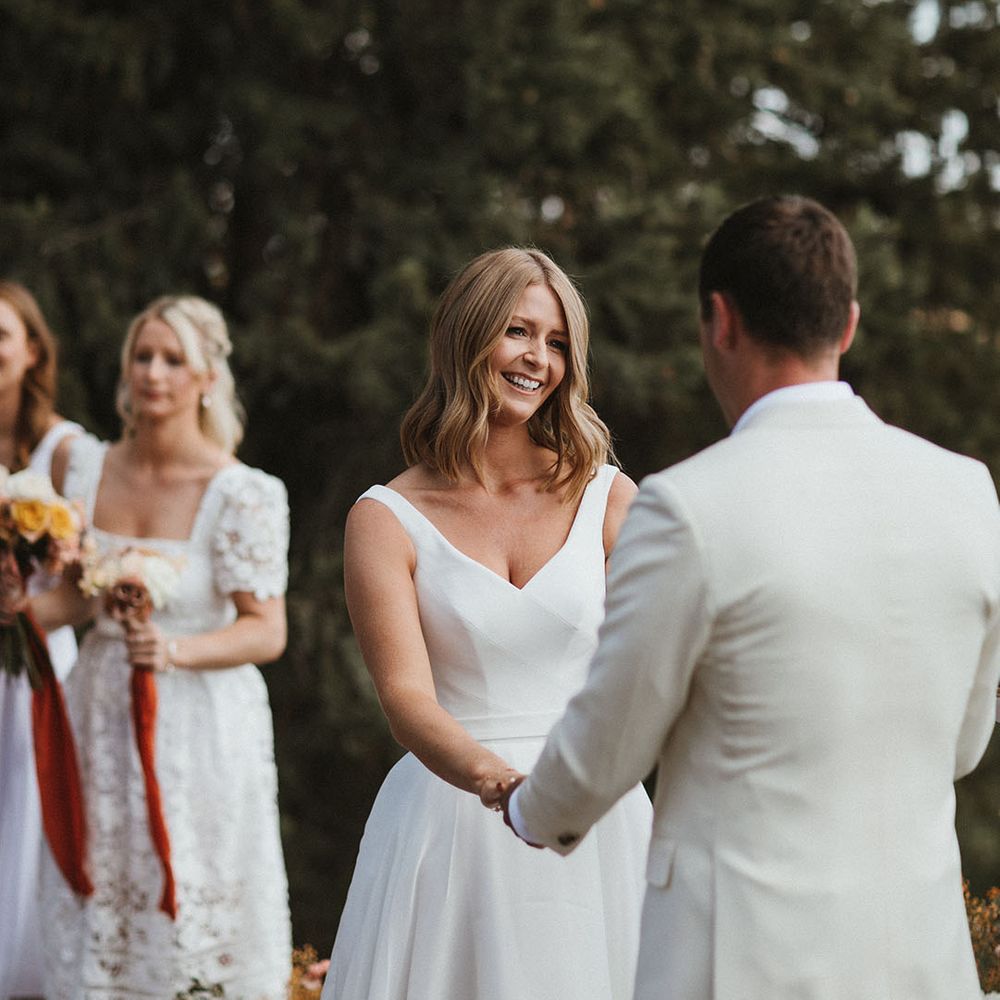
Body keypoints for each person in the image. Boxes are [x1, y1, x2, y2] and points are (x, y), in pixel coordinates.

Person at [504, 196, 1000, 999]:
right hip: (920, 952)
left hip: (746, 959)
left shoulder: (688, 506)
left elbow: (611, 739)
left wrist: (532, 809)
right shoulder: (967, 491)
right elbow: (965, 743)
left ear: (721, 321)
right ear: (848, 325)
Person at [322, 248, 652, 1000]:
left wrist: (573, 785)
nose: (539, 358)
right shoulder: (385, 518)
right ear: (467, 336)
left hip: (592, 819)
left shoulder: (609, 500)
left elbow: (650, 670)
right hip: (450, 822)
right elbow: (406, 698)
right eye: (518, 331)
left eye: (558, 342)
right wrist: (499, 783)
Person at [32, 295, 292, 1000]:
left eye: (173, 359)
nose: (153, 372)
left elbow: (266, 630)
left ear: (207, 377)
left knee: (196, 891)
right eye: (142, 356)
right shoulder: (85, 469)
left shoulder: (243, 493)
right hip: (99, 712)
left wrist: (171, 653)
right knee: (102, 885)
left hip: (201, 725)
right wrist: (18, 612)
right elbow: (76, 600)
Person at [0, 280, 83, 1000]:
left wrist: (22, 610)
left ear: (31, 350)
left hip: (33, 660)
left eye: (0, 335)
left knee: (30, 807)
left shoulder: (65, 450)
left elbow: (89, 578)